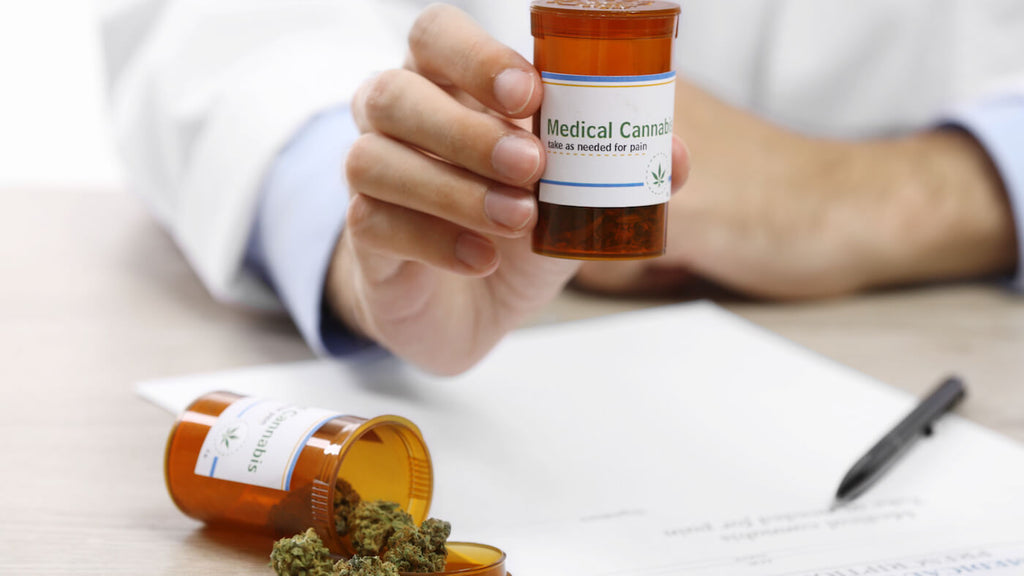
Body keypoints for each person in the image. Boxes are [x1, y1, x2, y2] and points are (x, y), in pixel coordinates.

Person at [102, 1, 1024, 375]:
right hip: (523, 336)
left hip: (949, 349)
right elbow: (215, 27)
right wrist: (386, 218)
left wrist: (923, 191)